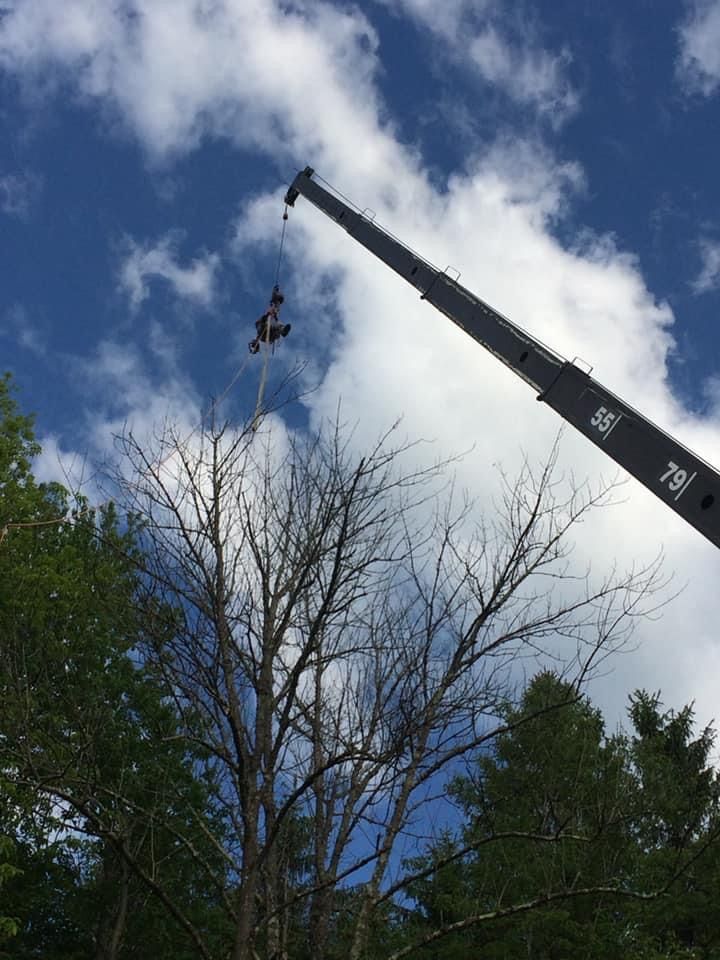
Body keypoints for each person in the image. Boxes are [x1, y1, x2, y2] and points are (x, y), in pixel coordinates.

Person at [249, 286, 291, 354]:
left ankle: (283, 331)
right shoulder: (263, 321)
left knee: (278, 324)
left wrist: (275, 294)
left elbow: (276, 307)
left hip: (270, 336)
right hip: (264, 332)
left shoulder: (273, 318)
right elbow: (259, 323)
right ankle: (283, 331)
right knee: (278, 324)